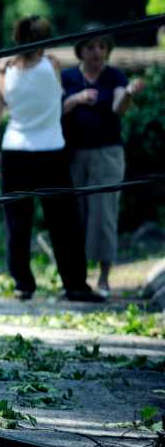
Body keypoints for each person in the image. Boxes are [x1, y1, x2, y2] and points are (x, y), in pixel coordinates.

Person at [0, 17, 105, 302]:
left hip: (15, 152)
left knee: (17, 223)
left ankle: (23, 284)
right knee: (64, 222)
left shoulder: (4, 74)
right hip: (51, 150)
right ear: (44, 41)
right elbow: (55, 98)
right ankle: (74, 284)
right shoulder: (52, 65)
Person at [61, 25, 146, 297]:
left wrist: (129, 92)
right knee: (75, 216)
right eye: (90, 47)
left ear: (107, 50)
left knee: (104, 214)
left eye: (101, 47)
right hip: (73, 154)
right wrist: (76, 99)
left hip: (107, 154)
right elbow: (56, 108)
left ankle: (105, 278)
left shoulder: (114, 76)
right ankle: (76, 279)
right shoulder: (68, 77)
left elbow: (118, 106)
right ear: (80, 51)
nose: (96, 52)